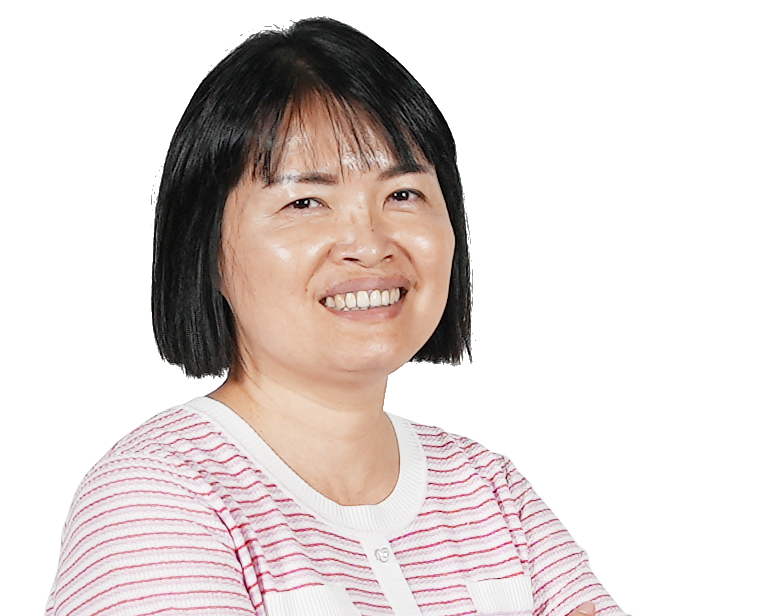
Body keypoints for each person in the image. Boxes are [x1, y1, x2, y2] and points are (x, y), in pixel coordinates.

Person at [46, 17, 630, 616]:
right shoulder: (156, 495)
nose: (369, 244)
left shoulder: (489, 490)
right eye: (305, 201)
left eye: (403, 194)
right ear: (206, 250)